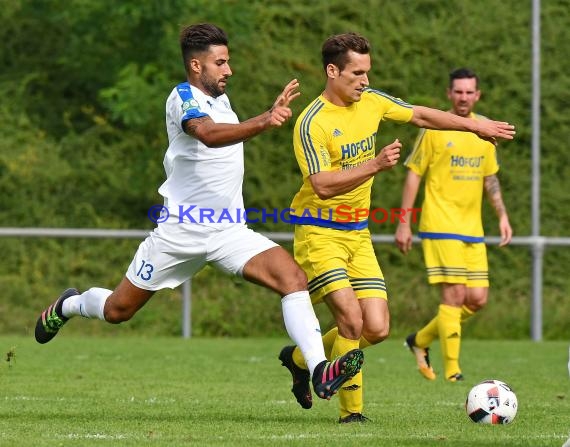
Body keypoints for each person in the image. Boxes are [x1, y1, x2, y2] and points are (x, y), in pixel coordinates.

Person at [34, 23, 364, 401]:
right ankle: (70, 304)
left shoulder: (223, 103)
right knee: (117, 310)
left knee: (292, 277)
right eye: (220, 63)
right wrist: (264, 120)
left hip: (228, 231)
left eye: (228, 62)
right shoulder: (182, 97)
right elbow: (206, 135)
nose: (229, 70)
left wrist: (258, 119)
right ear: (196, 65)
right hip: (180, 232)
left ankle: (320, 368)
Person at [278, 34, 515, 423]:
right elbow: (321, 185)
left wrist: (474, 127)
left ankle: (302, 359)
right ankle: (351, 414)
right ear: (332, 71)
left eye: (368, 72)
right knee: (351, 320)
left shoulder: (372, 102)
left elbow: (422, 115)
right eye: (357, 73)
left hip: (358, 234)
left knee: (378, 327)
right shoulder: (312, 122)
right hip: (319, 232)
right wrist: (375, 165)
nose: (365, 81)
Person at [395, 68, 513, 382]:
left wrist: (501, 215)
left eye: (468, 92)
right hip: (439, 224)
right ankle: (453, 372)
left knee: (477, 299)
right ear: (449, 94)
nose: (463, 97)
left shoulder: (484, 130)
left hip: (472, 229)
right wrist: (403, 223)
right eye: (457, 91)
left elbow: (490, 178)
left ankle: (419, 341)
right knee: (455, 296)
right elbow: (413, 175)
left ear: (477, 95)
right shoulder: (434, 128)